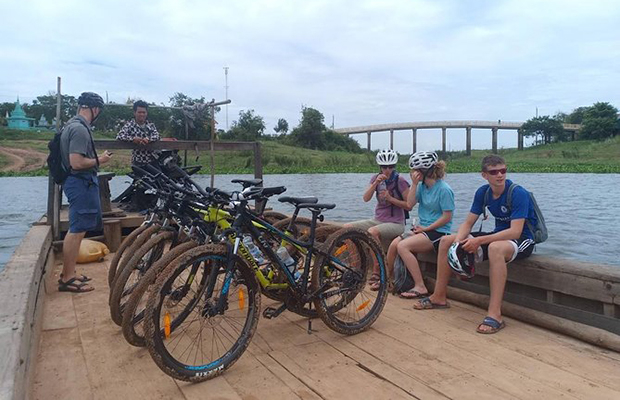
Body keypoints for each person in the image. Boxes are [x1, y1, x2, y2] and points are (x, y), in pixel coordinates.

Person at [413, 155, 537, 335]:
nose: (500, 175)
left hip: (523, 240)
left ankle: (495, 315)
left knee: (495, 248)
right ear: (484, 175)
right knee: (447, 240)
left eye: (503, 170)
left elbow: (515, 232)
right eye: (494, 172)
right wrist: (456, 246)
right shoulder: (483, 193)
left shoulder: (518, 193)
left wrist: (478, 241)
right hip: (498, 236)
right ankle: (438, 297)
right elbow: (468, 223)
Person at [58, 92, 112, 293]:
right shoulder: (80, 130)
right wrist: (101, 160)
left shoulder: (72, 125)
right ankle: (67, 278)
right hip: (79, 182)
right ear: (94, 109)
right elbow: (77, 162)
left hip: (77, 182)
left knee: (78, 228)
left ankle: (69, 273)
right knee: (76, 230)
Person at [385, 151, 454, 298]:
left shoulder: (444, 190)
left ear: (424, 170)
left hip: (438, 232)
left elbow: (447, 217)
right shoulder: (422, 187)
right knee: (393, 245)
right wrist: (415, 185)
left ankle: (420, 286)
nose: (413, 173)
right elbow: (409, 204)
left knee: (403, 246)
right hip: (423, 230)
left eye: (416, 171)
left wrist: (426, 228)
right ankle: (388, 280)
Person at [345, 149, 411, 290]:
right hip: (378, 219)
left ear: (394, 166)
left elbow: (409, 205)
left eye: (390, 167)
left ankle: (377, 269)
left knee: (372, 232)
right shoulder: (375, 178)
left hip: (396, 223)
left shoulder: (400, 181)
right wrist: (375, 183)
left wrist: (390, 198)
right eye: (384, 167)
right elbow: (366, 198)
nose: (387, 170)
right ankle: (355, 265)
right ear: (380, 167)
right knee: (347, 228)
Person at [116, 100, 160, 166]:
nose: (142, 114)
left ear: (146, 113)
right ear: (134, 113)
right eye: (139, 112)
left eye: (143, 112)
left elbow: (157, 135)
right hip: (138, 161)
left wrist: (148, 139)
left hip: (153, 160)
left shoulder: (151, 125)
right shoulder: (130, 125)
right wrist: (133, 139)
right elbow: (119, 136)